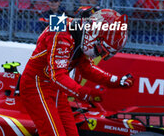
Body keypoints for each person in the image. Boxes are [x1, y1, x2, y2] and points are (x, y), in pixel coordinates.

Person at [20, 8, 134, 136]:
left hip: (57, 90)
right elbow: (57, 76)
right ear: (95, 33)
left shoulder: (83, 33)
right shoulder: (59, 28)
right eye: (100, 50)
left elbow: (86, 69)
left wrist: (116, 81)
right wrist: (85, 94)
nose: (98, 55)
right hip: (36, 87)